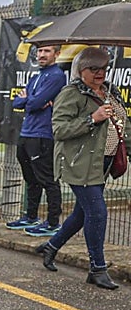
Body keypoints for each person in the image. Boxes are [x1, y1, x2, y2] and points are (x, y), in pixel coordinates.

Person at [37, 46, 127, 290]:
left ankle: (51, 246)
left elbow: (120, 124)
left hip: (102, 163)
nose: (100, 73)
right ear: (81, 70)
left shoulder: (110, 92)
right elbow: (59, 130)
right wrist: (92, 118)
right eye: (93, 68)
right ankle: (97, 268)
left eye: (104, 68)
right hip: (78, 163)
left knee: (81, 213)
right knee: (97, 213)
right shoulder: (71, 93)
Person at [6, 44, 66, 236]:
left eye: (47, 51)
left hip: (42, 134)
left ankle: (52, 223)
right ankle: (31, 217)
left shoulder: (57, 76)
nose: (42, 55)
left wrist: (31, 100)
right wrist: (32, 99)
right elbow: (18, 102)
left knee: (47, 179)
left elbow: (33, 103)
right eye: (40, 51)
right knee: (30, 179)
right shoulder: (35, 77)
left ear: (56, 54)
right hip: (26, 133)